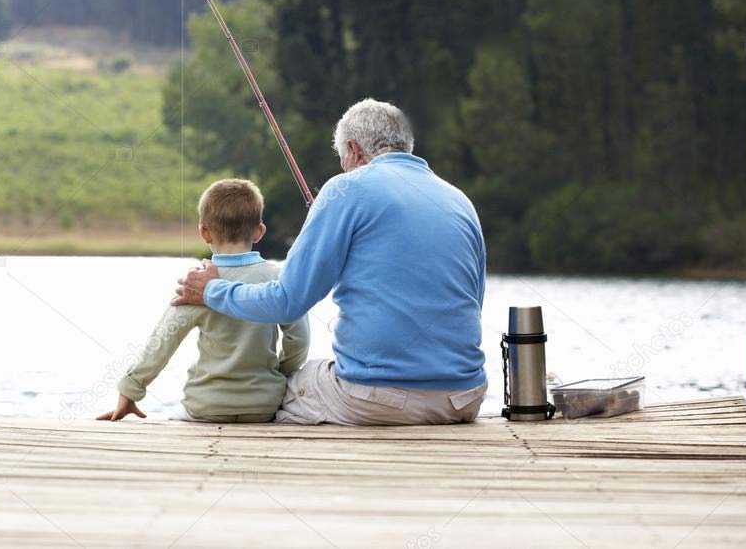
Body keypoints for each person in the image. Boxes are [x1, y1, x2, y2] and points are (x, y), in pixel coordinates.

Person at [173, 99, 488, 426]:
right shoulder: (459, 200)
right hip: (463, 398)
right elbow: (471, 304)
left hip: (379, 399)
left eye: (342, 162)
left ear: (353, 150)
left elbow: (286, 302)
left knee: (282, 391)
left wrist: (212, 291)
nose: (343, 170)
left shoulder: (346, 188)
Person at [98, 179, 310, 423]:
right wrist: (279, 375)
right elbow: (300, 340)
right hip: (264, 405)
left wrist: (130, 390)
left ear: (204, 232)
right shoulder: (277, 278)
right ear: (259, 231)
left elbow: (163, 341)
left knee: (172, 423)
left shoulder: (196, 283)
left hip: (207, 405)